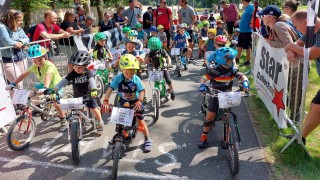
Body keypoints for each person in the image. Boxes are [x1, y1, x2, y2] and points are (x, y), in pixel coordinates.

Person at [197, 47, 250, 148]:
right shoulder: (216, 71)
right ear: (223, 61)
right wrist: (202, 85)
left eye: (233, 59)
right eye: (231, 59)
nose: (233, 61)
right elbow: (204, 78)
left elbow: (241, 76)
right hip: (215, 95)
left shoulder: (232, 70)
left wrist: (245, 82)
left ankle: (226, 136)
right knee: (210, 117)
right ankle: (204, 136)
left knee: (226, 116)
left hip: (227, 96)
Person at [5, 44, 66, 132]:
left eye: (40, 59)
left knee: (56, 104)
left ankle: (63, 120)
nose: (37, 62)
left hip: (56, 86)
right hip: (43, 84)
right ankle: (37, 108)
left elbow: (48, 77)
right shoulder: (35, 66)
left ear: (45, 56)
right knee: (31, 93)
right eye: (34, 60)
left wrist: (45, 87)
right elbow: (24, 74)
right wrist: (13, 83)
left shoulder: (50, 66)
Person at [102, 54, 152, 152]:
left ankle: (147, 139)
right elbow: (110, 89)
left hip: (136, 103)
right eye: (127, 73)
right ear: (122, 70)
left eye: (132, 73)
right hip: (123, 102)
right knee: (119, 121)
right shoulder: (118, 78)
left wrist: (140, 101)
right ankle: (122, 133)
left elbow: (142, 91)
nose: (129, 75)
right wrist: (105, 100)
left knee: (141, 121)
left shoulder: (136, 78)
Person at [284, 10, 320, 145]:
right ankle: (301, 138)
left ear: (305, 22)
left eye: (296, 26)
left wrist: (289, 46)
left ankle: (300, 138)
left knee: (316, 106)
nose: (296, 29)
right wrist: (291, 49)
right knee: (316, 107)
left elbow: (311, 54)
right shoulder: (310, 32)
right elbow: (297, 44)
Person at [55, 51, 104, 135]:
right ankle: (77, 125)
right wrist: (55, 89)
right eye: (75, 66)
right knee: (78, 112)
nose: (77, 69)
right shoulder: (72, 74)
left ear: (85, 66)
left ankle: (100, 122)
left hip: (89, 95)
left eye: (80, 67)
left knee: (93, 107)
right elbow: (64, 81)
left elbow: (92, 82)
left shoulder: (88, 72)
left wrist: (94, 90)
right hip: (77, 96)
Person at [0, 9, 29, 95]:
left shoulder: (18, 27)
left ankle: (20, 104)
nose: (21, 22)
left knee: (20, 83)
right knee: (17, 84)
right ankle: (17, 105)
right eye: (19, 20)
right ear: (12, 19)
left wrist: (21, 42)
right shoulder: (2, 27)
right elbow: (6, 41)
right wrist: (16, 43)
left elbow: (27, 38)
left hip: (21, 57)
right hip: (8, 59)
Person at [235, 0, 254, 65]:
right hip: (242, 30)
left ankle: (248, 61)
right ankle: (237, 58)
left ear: (244, 1)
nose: (241, 2)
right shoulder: (246, 7)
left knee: (247, 46)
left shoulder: (251, 7)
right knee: (239, 45)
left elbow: (254, 15)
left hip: (247, 30)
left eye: (242, 1)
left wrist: (251, 22)